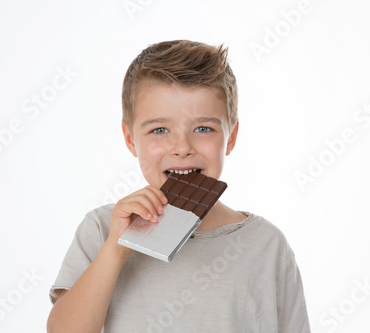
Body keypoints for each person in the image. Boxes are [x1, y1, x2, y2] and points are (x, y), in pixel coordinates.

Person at [47, 40, 310, 333]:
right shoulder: (103, 229)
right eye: (159, 130)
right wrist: (116, 249)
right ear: (131, 139)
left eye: (203, 129)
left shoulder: (267, 245)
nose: (182, 147)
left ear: (231, 137)